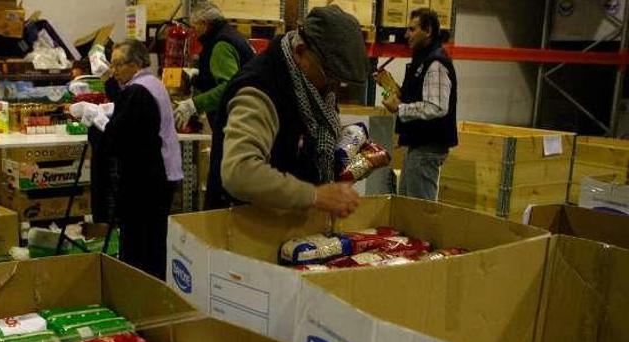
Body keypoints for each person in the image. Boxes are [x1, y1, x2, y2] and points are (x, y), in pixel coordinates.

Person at [205, 6, 367, 217]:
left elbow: (306, 145)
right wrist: (315, 195)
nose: (334, 87)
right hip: (240, 230)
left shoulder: (311, 87)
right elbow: (239, 172)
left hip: (286, 227)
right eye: (330, 76)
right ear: (300, 52)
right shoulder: (259, 91)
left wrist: (351, 156)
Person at [99, 39, 183, 280]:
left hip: (147, 180)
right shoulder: (152, 84)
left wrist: (95, 126)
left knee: (140, 244)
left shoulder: (138, 92)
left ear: (135, 64)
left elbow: (119, 136)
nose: (113, 70)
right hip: (161, 174)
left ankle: (138, 291)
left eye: (117, 64)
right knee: (154, 241)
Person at [378, 8, 457, 200]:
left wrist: (400, 108)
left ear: (428, 30)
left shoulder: (435, 63)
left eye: (412, 30)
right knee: (408, 207)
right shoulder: (423, 61)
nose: (406, 35)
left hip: (427, 149)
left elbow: (437, 107)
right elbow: (419, 97)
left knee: (420, 211)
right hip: (418, 147)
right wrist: (393, 88)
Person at [173, 2, 255, 130]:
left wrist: (194, 105)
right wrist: (200, 78)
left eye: (194, 27)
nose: (193, 32)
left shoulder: (221, 45)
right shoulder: (230, 35)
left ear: (204, 24)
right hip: (246, 117)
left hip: (235, 122)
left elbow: (228, 88)